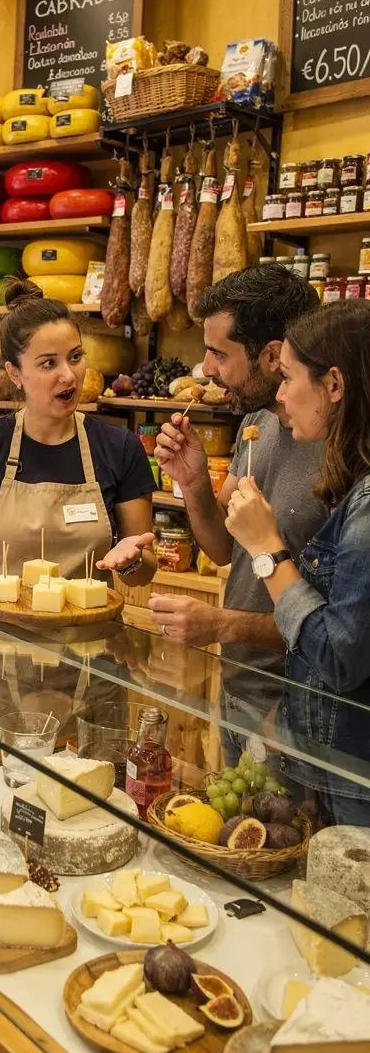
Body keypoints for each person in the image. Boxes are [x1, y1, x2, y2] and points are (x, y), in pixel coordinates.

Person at [0, 278, 157, 748]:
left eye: (75, 357)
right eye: (48, 364)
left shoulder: (119, 448)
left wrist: (132, 560)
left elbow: (141, 571)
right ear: (15, 373)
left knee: (93, 807)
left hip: (94, 663)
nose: (69, 376)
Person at [150, 265, 327, 754]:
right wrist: (192, 484)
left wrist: (221, 625)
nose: (206, 370)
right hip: (239, 685)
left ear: (271, 356)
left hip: (305, 708)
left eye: (218, 354)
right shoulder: (255, 424)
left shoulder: (342, 452)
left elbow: (339, 630)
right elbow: (226, 549)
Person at [225, 300, 370, 825]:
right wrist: (288, 713)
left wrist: (265, 547)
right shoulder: (353, 488)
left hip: (356, 780)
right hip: (328, 753)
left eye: (287, 378)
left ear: (334, 385)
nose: (280, 395)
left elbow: (338, 655)